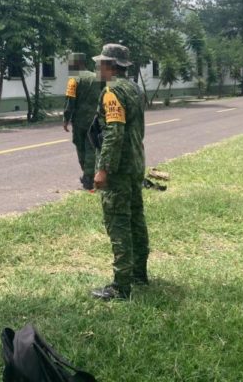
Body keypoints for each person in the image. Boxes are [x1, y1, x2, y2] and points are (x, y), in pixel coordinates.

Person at [90, 44, 149, 301]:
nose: (97, 67)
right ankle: (139, 274)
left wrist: (103, 169)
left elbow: (113, 133)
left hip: (119, 169)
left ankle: (121, 286)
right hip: (135, 164)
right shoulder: (134, 88)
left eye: (100, 63)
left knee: (119, 223)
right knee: (136, 218)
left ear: (111, 66)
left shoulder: (112, 91)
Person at [62, 53, 101, 190]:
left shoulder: (74, 79)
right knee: (92, 147)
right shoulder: (96, 77)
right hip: (95, 120)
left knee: (81, 148)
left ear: (76, 63)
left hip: (80, 122)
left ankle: (87, 178)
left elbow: (70, 101)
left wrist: (66, 119)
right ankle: (91, 176)